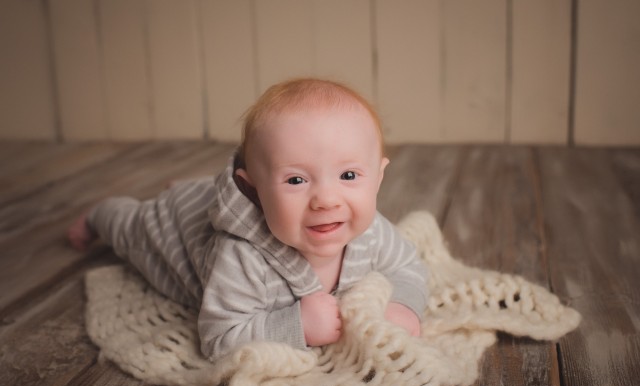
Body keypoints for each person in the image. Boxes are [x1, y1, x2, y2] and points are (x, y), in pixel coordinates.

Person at [68, 78, 429, 360]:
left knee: (201, 190)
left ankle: (199, 187)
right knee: (130, 227)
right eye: (296, 180)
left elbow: (407, 267)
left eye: (348, 175)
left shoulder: (371, 232)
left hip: (222, 194)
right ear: (252, 190)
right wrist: (297, 325)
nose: (326, 200)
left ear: (378, 177)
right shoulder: (242, 256)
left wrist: (403, 305)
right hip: (175, 228)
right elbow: (219, 338)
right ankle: (100, 213)